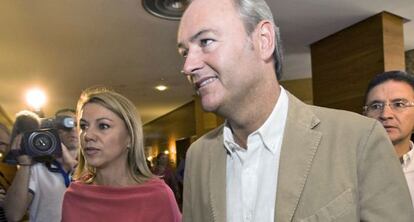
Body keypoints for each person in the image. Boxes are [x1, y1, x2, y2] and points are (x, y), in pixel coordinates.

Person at [176, 0, 414, 221]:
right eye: (184, 52)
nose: (188, 66)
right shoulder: (198, 157)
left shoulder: (359, 140)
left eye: (205, 41)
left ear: (264, 40)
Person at [61, 87, 181, 222]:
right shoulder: (74, 195)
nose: (88, 135)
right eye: (83, 126)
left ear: (130, 137)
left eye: (103, 126)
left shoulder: (159, 196)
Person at [5, 110, 78, 222]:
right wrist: (25, 164)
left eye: (78, 124)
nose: (72, 129)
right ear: (54, 131)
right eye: (65, 125)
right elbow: (13, 215)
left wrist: (70, 164)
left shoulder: (95, 167)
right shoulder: (38, 169)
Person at [363, 70, 414, 207]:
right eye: (375, 106)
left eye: (399, 104)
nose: (385, 115)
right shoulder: (349, 168)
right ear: (364, 115)